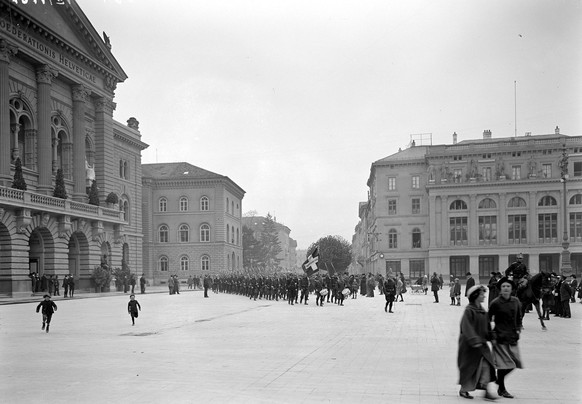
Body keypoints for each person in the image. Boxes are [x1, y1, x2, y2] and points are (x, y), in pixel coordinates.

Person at [457, 285, 497, 400]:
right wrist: (474, 340)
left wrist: (492, 337)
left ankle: (486, 390)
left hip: (482, 346)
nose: (484, 296)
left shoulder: (482, 311)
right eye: (481, 294)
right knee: (469, 368)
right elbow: (466, 327)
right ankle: (464, 389)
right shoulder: (469, 310)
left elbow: (487, 326)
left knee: (487, 366)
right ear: (475, 296)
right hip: (469, 346)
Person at [488, 277, 523, 399]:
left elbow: (519, 316)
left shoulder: (516, 301)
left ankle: (498, 380)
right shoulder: (495, 303)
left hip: (513, 337)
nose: (506, 288)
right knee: (503, 364)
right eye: (503, 286)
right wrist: (491, 334)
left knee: (515, 363)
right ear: (500, 289)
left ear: (512, 289)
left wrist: (518, 328)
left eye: (508, 286)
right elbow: (488, 319)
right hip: (500, 337)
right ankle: (502, 389)